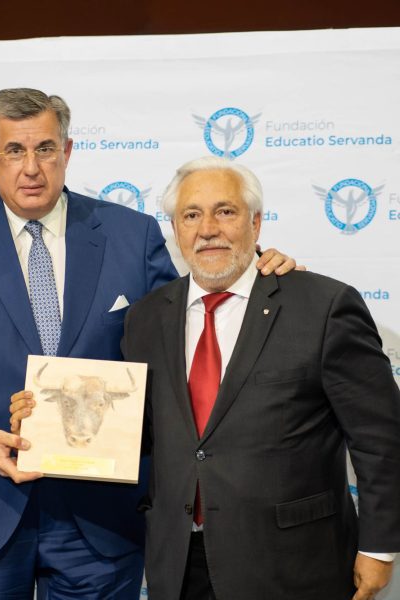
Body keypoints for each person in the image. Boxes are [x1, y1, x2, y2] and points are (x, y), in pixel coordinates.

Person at [0, 89, 295, 600]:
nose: (31, 168)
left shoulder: (131, 234)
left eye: (45, 149)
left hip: (100, 517)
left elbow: (185, 328)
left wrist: (255, 271)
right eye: (14, 151)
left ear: (68, 151)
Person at [120, 155, 400, 600]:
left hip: (294, 564)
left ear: (255, 222)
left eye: (225, 211)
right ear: (174, 228)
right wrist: (48, 425)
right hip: (179, 563)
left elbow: (380, 438)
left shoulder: (322, 306)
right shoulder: (145, 318)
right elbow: (145, 433)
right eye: (191, 215)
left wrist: (380, 547)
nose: (207, 228)